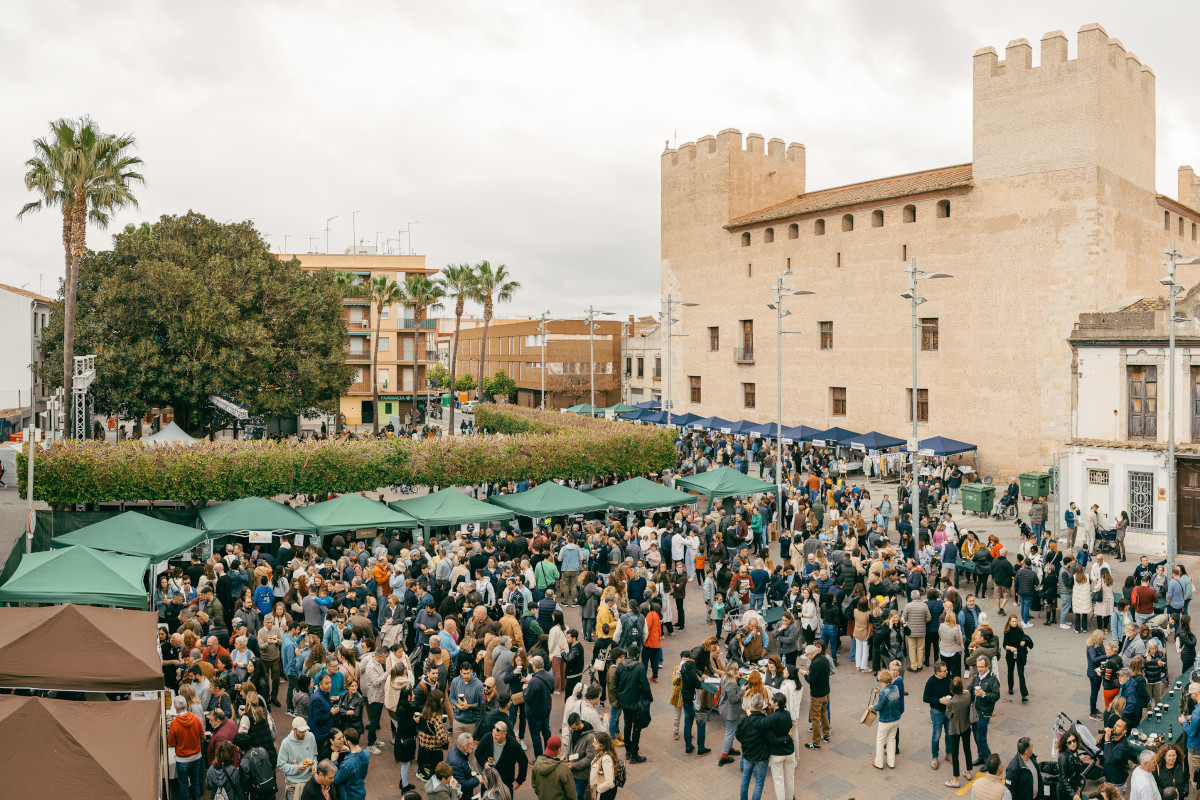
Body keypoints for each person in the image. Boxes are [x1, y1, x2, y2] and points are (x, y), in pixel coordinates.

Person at [616, 644, 652, 764]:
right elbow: (645, 684)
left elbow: (616, 683)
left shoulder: (620, 666)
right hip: (636, 702)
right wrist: (649, 697)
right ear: (637, 655)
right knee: (636, 728)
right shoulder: (640, 667)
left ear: (627, 654)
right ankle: (634, 754)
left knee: (627, 725)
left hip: (624, 701)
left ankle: (627, 750)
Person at [477, 720, 530, 796]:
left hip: (505, 782)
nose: (494, 737)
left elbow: (524, 761)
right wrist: (484, 762)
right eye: (493, 733)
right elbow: (478, 752)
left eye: (497, 735)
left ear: (504, 734)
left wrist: (519, 781)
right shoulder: (487, 738)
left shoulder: (513, 745)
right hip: (488, 780)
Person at [735, 693, 772, 800]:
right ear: (762, 706)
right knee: (759, 783)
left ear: (751, 704)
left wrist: (745, 743)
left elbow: (738, 735)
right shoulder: (765, 721)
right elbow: (769, 738)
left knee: (745, 779)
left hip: (747, 754)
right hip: (761, 756)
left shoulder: (743, 719)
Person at [169, 695, 206, 800]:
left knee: (184, 785)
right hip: (196, 756)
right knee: (195, 781)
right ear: (186, 705)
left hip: (182, 759)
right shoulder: (195, 718)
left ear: (175, 708)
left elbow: (171, 743)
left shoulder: (174, 723)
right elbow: (202, 735)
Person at [968, 655, 1000, 766]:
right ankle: (981, 756)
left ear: (987, 666)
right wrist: (965, 692)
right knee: (976, 736)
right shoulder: (977, 677)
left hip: (984, 713)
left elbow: (996, 696)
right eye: (977, 667)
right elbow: (970, 687)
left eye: (981, 667)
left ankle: (989, 761)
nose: (979, 669)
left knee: (981, 738)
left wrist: (984, 694)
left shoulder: (993, 679)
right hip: (975, 712)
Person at [679, 648, 710, 755]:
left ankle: (688, 747)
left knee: (687, 724)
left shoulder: (683, 666)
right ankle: (701, 749)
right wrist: (700, 680)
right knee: (701, 723)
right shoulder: (691, 668)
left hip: (685, 698)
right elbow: (697, 684)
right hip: (692, 700)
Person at [870, 668, 903, 770]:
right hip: (896, 719)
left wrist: (871, 707)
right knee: (891, 740)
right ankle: (891, 762)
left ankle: (879, 763)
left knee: (880, 741)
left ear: (883, 681)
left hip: (885, 721)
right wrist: (880, 692)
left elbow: (879, 707)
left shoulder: (884, 692)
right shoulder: (895, 688)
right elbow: (887, 696)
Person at [525, 655, 557, 756]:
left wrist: (525, 688)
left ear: (534, 666)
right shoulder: (550, 675)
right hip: (546, 710)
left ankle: (539, 758)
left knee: (536, 737)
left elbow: (527, 698)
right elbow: (552, 690)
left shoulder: (534, 681)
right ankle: (549, 754)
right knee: (546, 732)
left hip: (534, 713)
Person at [766, 692, 795, 800]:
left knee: (778, 781)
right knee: (789, 779)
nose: (771, 701)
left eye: (772, 700)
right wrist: (787, 738)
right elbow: (790, 728)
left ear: (776, 703)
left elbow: (772, 739)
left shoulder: (772, 718)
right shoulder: (787, 714)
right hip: (789, 752)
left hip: (777, 754)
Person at [924, 660, 952, 771]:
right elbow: (925, 698)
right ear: (937, 672)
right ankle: (934, 757)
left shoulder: (948, 678)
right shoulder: (931, 682)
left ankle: (948, 754)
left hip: (949, 711)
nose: (946, 672)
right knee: (936, 735)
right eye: (944, 671)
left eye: (946, 670)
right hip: (937, 712)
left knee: (949, 734)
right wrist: (939, 700)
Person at [531, 735, 577, 800]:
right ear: (558, 750)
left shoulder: (537, 763)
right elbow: (571, 793)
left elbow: (534, 784)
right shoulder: (563, 768)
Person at [717, 662, 745, 766]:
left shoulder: (725, 678)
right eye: (737, 670)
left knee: (731, 730)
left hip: (726, 709)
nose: (738, 671)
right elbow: (733, 699)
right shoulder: (730, 683)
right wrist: (742, 691)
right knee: (730, 732)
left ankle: (729, 748)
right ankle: (724, 755)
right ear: (733, 671)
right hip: (731, 711)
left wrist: (737, 679)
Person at [331, 728, 370, 800]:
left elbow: (336, 779)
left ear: (349, 742)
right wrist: (349, 750)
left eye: (345, 740)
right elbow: (358, 754)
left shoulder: (347, 764)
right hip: (361, 791)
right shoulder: (367, 754)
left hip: (349, 795)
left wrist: (334, 762)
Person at [1002, 615, 1032, 703]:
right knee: (1010, 671)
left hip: (1020, 654)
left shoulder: (1020, 630)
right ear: (1009, 622)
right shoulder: (1007, 632)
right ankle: (1010, 687)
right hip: (1010, 654)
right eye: (1013, 621)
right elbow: (1004, 645)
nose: (1015, 623)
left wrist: (1024, 642)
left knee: (1021, 674)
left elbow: (1024, 638)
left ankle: (1024, 694)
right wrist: (1010, 648)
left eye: (1016, 621)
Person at [1057, 730, 1091, 800]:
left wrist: (1078, 785)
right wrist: (1073, 794)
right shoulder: (1063, 757)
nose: (1072, 744)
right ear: (1066, 744)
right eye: (1069, 742)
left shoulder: (1074, 752)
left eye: (1074, 741)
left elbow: (1076, 772)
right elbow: (1062, 779)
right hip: (1065, 792)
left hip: (1073, 788)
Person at [1102, 719, 1134, 790]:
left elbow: (1109, 760)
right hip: (1108, 780)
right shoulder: (1113, 738)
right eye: (1115, 724)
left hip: (1116, 785)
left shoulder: (1124, 746)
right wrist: (1104, 737)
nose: (1114, 727)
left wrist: (1107, 740)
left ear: (1124, 731)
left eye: (1118, 726)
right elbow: (1100, 747)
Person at [588, 733, 620, 800]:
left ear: (602, 745)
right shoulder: (600, 752)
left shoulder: (606, 759)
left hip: (604, 793)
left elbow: (609, 782)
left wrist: (598, 788)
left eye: (595, 743)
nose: (593, 744)